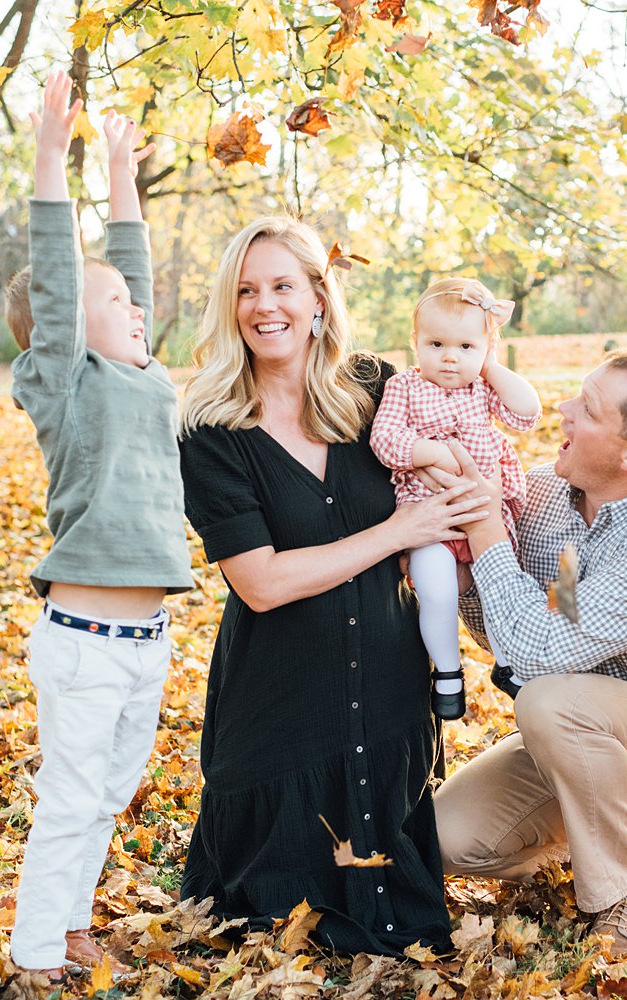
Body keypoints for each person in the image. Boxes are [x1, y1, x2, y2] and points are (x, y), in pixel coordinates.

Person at [176, 217, 489, 955]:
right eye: (247, 291)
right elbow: (261, 583)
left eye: (283, 286)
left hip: (387, 691)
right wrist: (395, 533)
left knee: (400, 925)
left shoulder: (378, 390)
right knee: (272, 929)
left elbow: (475, 429)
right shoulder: (211, 428)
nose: (264, 306)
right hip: (277, 704)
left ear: (319, 297)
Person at [432, 348, 627, 956]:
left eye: (587, 409)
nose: (563, 411)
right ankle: (581, 841)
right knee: (449, 839)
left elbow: (537, 658)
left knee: (549, 698)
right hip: (572, 721)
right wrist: (464, 578)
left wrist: (487, 534)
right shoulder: (550, 498)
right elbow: (525, 632)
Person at [4, 71, 194, 981]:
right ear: (62, 334)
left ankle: (72, 922)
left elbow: (133, 275)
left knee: (109, 796)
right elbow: (58, 275)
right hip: (84, 642)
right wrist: (55, 155)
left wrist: (121, 170)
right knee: (73, 798)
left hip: (147, 637)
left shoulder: (141, 372)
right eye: (112, 305)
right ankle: (38, 952)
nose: (135, 313)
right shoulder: (66, 383)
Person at [369, 277, 541, 721]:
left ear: (486, 347)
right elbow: (385, 440)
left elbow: (527, 414)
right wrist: (440, 454)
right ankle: (447, 671)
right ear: (416, 343)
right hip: (430, 517)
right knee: (437, 590)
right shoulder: (404, 387)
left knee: (496, 588)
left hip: (488, 515)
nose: (450, 356)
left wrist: (492, 366)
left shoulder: (482, 387)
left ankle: (509, 664)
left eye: (467, 346)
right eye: (436, 343)